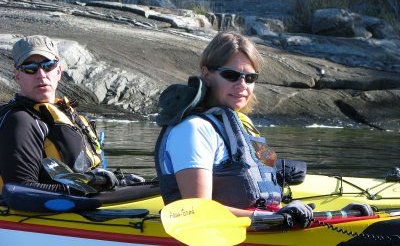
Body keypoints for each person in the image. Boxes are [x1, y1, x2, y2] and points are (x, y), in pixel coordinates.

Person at [154, 31, 374, 227]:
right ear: (207, 74)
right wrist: (272, 219)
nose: (242, 85)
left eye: (250, 78)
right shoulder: (194, 130)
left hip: (264, 222)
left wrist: (279, 170)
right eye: (231, 75)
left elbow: (259, 169)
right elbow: (197, 212)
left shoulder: (241, 125)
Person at [0, 35, 118, 195]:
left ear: (58, 71)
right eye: (30, 68)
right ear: (18, 75)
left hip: (87, 202)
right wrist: (84, 188)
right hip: (46, 212)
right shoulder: (20, 121)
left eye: (48, 65)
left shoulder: (71, 116)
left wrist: (116, 181)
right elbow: (19, 190)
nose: (41, 75)